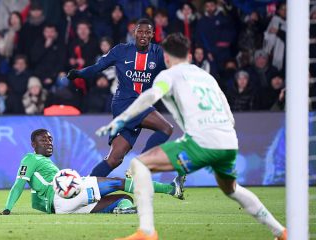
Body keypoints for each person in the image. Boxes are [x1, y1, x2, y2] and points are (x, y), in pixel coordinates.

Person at [97, 33, 286, 240]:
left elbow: (149, 96)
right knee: (232, 189)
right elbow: (229, 115)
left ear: (166, 58)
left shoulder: (168, 76)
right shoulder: (206, 76)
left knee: (139, 165)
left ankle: (147, 232)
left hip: (201, 142)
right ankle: (281, 232)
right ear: (188, 54)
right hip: (228, 141)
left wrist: (119, 120)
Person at [67, 18, 173, 177]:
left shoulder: (158, 53)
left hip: (139, 104)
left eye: (147, 32)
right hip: (125, 103)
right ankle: (141, 164)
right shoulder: (121, 50)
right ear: (134, 33)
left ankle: (86, 188)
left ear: (152, 34)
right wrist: (79, 73)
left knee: (115, 159)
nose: (143, 35)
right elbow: (98, 67)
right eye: (140, 31)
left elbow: (175, 68)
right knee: (166, 128)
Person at [0, 129, 185, 215]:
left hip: (62, 207)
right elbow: (19, 184)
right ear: (33, 144)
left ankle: (123, 209)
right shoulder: (30, 158)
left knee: (121, 199)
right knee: (119, 182)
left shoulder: (44, 163)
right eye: (44, 140)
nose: (49, 143)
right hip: (64, 196)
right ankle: (170, 189)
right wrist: (8, 208)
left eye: (50, 140)